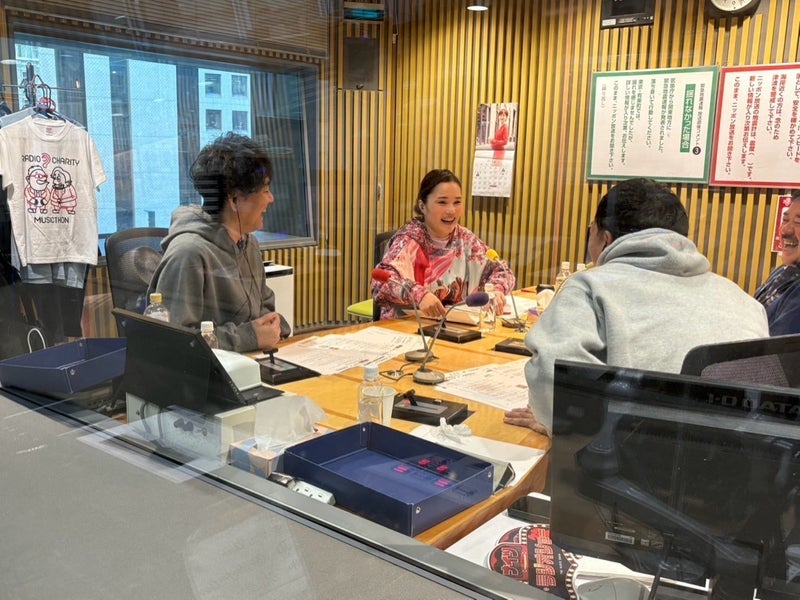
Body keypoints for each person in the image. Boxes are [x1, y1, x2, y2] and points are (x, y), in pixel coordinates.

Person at [504, 177, 769, 436]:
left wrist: (551, 421)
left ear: (605, 238)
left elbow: (551, 379)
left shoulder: (589, 286)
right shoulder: (745, 301)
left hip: (626, 458)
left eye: (591, 231)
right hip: (738, 459)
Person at [148, 132, 291, 353]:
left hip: (250, 362)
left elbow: (263, 309)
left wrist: (274, 325)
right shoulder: (188, 254)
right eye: (265, 190)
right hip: (210, 372)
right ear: (235, 200)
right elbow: (173, 343)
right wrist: (249, 337)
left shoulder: (248, 244)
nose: (271, 198)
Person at [371, 168, 515, 320]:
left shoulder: (465, 239)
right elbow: (380, 283)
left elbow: (502, 270)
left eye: (457, 202)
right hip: (408, 327)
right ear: (422, 206)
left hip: (456, 327)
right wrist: (419, 295)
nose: (451, 210)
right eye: (442, 202)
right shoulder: (409, 240)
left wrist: (496, 290)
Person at [754, 190, 800, 335]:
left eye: (798, 223)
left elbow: (775, 348)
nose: (785, 230)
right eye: (785, 220)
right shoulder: (783, 270)